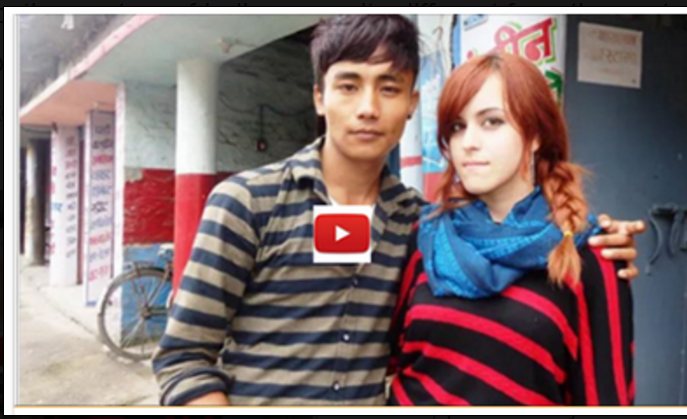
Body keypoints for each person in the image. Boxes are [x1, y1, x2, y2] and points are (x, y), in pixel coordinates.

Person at [152, 15, 643, 406]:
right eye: (348, 86)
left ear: (412, 103)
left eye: (388, 88)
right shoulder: (248, 203)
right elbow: (184, 358)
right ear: (319, 97)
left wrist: (595, 239)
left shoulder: (417, 224)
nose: (368, 107)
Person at [387, 52, 635, 406]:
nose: (468, 142)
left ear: (535, 135)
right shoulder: (427, 236)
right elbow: (385, 354)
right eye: (457, 126)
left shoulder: (589, 253)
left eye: (492, 122)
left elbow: (606, 399)